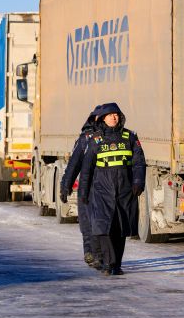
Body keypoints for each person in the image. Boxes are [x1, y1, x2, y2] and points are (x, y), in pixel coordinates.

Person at [77, 103, 146, 276]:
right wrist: (83, 193)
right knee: (103, 228)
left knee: (120, 229)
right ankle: (109, 262)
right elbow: (86, 169)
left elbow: (139, 162)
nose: (113, 117)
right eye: (109, 115)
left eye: (116, 114)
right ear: (102, 119)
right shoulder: (96, 140)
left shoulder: (129, 137)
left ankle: (116, 265)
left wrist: (138, 181)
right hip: (102, 192)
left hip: (124, 192)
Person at [60, 105, 102, 268]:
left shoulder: (111, 137)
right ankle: (89, 252)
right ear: (94, 119)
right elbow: (73, 165)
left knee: (100, 223)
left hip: (104, 188)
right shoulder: (85, 139)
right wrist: (66, 186)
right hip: (87, 187)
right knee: (86, 223)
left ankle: (100, 255)